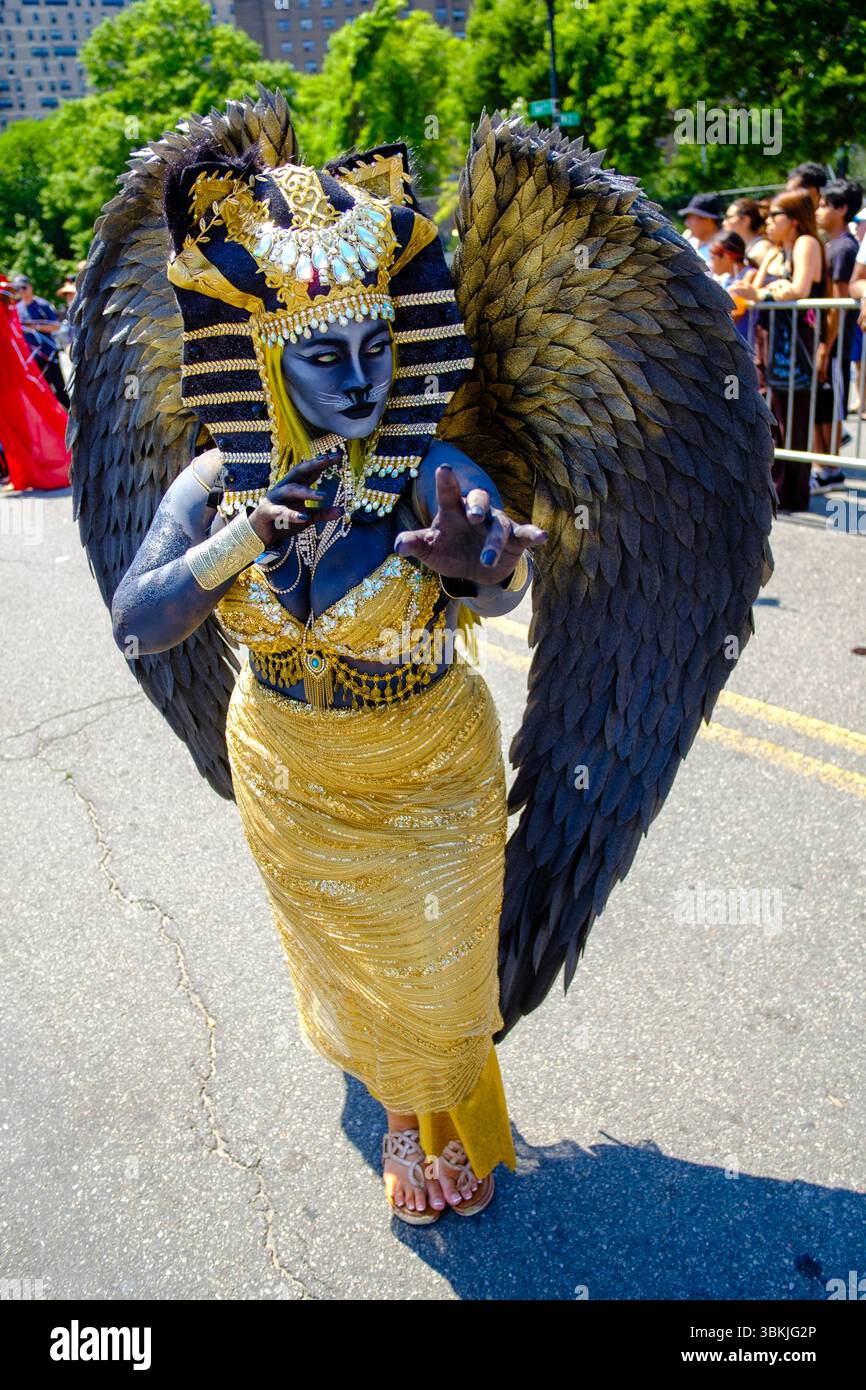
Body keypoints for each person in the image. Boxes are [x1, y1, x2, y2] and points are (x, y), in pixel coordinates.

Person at [70, 101, 776, 1238]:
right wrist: (247, 533)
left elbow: (492, 568)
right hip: (288, 765)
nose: (357, 378)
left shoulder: (430, 464)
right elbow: (138, 624)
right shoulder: (209, 484)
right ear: (264, 352)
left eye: (375, 347)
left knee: (441, 962)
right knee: (341, 951)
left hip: (424, 766)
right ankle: (399, 1096)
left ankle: (419, 1109)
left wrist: (482, 561)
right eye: (322, 355)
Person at [734, 191, 829, 510]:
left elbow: (799, 288)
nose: (769, 221)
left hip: (794, 343)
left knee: (792, 416)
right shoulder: (776, 249)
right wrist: (760, 290)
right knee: (771, 412)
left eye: (776, 215)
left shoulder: (806, 243)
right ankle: (773, 486)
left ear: (794, 219)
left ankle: (791, 491)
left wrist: (761, 293)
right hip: (771, 340)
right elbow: (755, 288)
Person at [811, 179, 863, 490]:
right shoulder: (832, 245)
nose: (818, 211)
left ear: (842, 209)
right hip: (826, 343)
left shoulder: (845, 248)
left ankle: (830, 470)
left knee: (830, 406)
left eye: (824, 205)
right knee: (821, 406)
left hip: (836, 344)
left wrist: (824, 347)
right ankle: (822, 466)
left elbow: (839, 305)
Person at [0, 273, 71, 492]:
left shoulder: (24, 305)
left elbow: (54, 326)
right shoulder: (14, 308)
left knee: (51, 401)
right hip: (17, 370)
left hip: (32, 363)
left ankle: (31, 469)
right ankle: (17, 471)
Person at [11, 273, 70, 409]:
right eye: (18, 289)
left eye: (24, 287)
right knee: (41, 390)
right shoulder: (17, 309)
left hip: (48, 354)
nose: (21, 291)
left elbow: (56, 325)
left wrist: (36, 327)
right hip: (31, 358)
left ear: (30, 287)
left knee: (60, 387)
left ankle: (71, 417)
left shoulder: (42, 304)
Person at [723, 197, 771, 268]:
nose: (724, 223)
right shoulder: (744, 248)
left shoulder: (761, 249)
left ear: (746, 220)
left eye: (729, 217)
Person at [677, 193, 724, 265]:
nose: (686, 222)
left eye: (691, 217)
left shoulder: (725, 246)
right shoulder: (688, 236)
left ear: (708, 219)